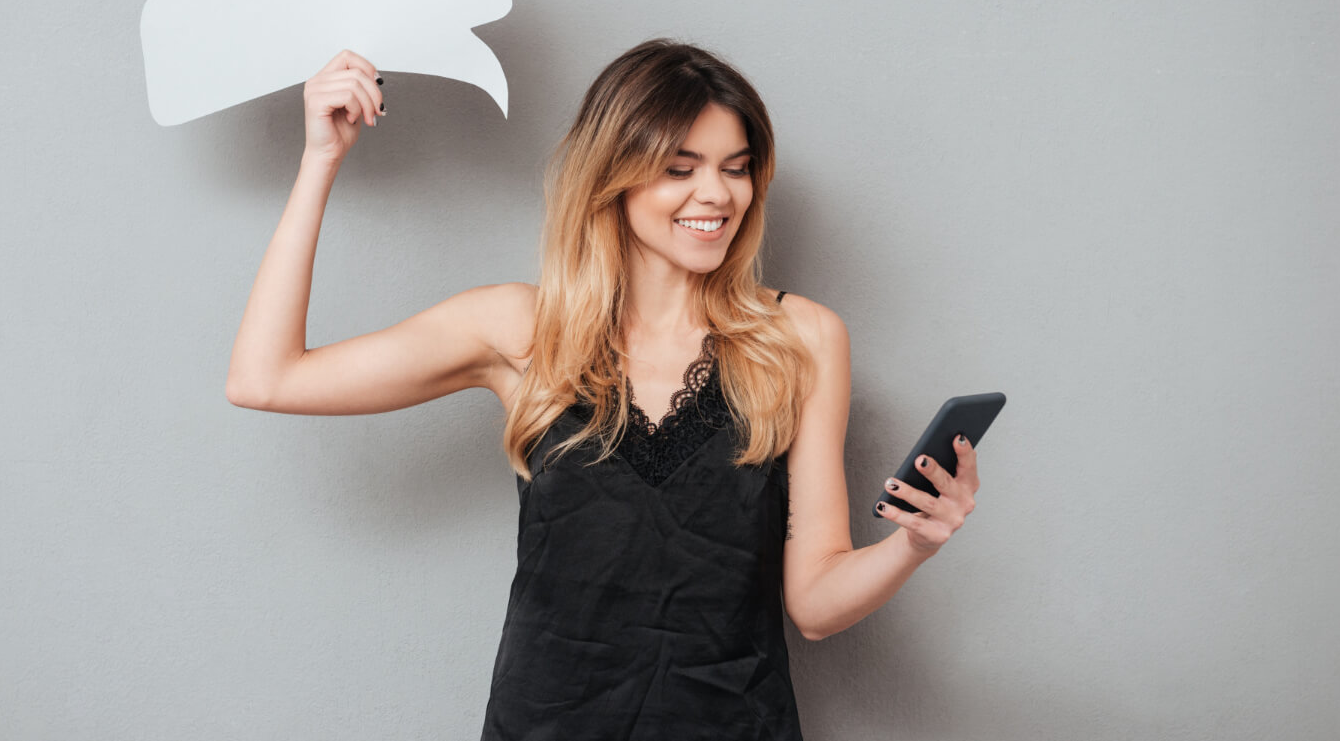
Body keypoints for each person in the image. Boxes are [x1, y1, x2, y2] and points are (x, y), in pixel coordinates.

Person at [226, 40, 982, 740]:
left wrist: (913, 543)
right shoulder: (521, 329)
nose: (716, 194)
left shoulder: (802, 339)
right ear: (613, 175)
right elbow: (266, 377)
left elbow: (814, 605)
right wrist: (320, 158)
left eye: (737, 165)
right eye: (679, 167)